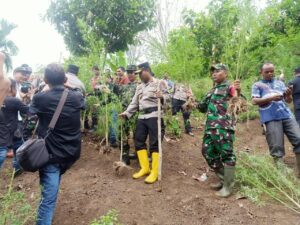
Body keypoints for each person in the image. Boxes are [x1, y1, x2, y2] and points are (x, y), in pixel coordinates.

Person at [29, 63, 85, 225]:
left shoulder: (40, 98)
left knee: (48, 199)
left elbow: (30, 115)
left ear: (46, 80)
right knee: (52, 185)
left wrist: (42, 91)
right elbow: (82, 100)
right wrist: (68, 86)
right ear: (65, 79)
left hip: (50, 156)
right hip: (71, 154)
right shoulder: (76, 97)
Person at [119, 62, 169, 184]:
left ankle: (154, 172)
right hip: (142, 116)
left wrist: (162, 97)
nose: (139, 76)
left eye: (140, 73)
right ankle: (145, 168)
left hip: (154, 116)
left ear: (147, 70)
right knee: (138, 140)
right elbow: (134, 102)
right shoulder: (139, 87)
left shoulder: (159, 83)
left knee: (154, 143)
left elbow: (169, 100)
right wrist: (127, 113)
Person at [198, 63, 243, 197]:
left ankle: (228, 187)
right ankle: (224, 180)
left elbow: (238, 102)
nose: (214, 74)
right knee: (207, 151)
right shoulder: (212, 90)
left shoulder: (230, 87)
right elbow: (201, 107)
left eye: (217, 71)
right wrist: (192, 100)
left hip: (223, 127)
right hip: (210, 127)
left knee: (227, 154)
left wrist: (238, 92)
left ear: (225, 73)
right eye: (213, 72)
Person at [252, 63, 300, 177]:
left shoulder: (280, 83)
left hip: (287, 115)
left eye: (272, 71)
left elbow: (288, 101)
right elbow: (254, 101)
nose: (270, 73)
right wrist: (271, 98)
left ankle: (299, 171)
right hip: (270, 117)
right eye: (267, 72)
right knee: (276, 145)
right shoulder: (257, 85)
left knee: (298, 138)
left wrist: (288, 95)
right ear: (261, 72)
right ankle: (281, 175)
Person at [0, 79, 28, 172]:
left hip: (3, 131)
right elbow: (28, 110)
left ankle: (17, 167)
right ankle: (17, 167)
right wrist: (30, 96)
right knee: (18, 147)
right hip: (12, 129)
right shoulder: (13, 100)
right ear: (11, 88)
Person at [118, 65, 139, 164]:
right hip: (124, 113)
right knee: (123, 135)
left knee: (137, 135)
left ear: (136, 73)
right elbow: (119, 99)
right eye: (128, 72)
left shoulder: (139, 86)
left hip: (135, 114)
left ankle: (138, 154)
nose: (130, 74)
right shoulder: (124, 87)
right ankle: (125, 155)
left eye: (132, 72)